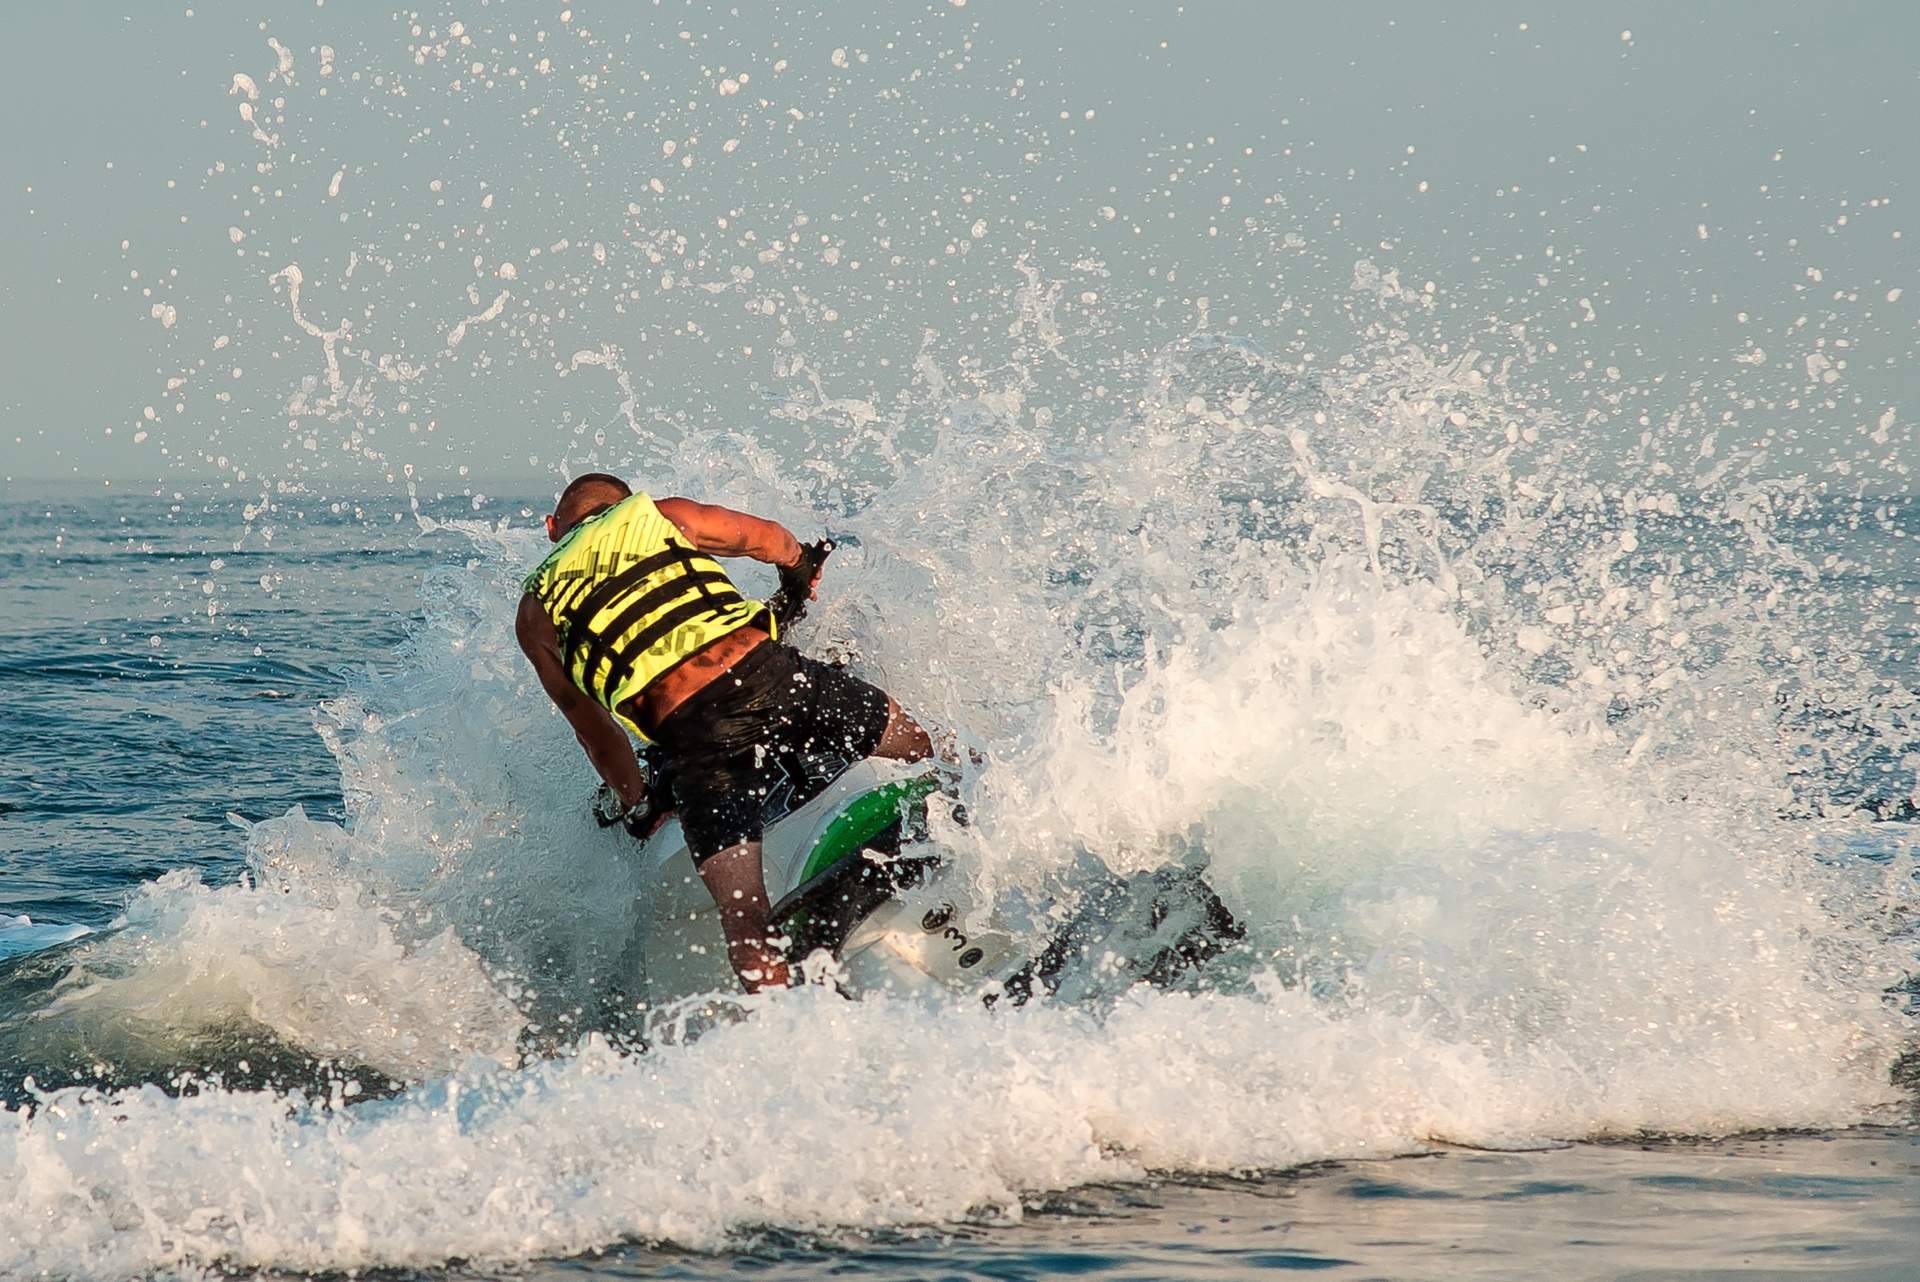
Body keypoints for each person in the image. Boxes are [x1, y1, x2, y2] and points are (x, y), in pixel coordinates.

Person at [515, 472, 937, 993]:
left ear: (553, 528)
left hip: (693, 740)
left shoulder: (534, 614)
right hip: (772, 679)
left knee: (745, 924)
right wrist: (800, 572)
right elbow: (766, 538)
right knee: (926, 749)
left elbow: (596, 733)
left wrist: (639, 804)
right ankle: (972, 831)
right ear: (623, 504)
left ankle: (788, 1030)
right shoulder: (660, 514)